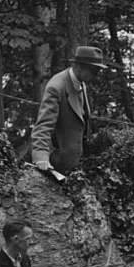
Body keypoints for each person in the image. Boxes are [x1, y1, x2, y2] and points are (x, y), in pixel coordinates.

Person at [32, 45, 108, 174]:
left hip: (78, 166)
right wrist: (41, 157)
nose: (96, 75)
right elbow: (43, 125)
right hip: (58, 164)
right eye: (93, 71)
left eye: (98, 71)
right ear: (78, 66)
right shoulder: (56, 87)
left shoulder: (81, 83)